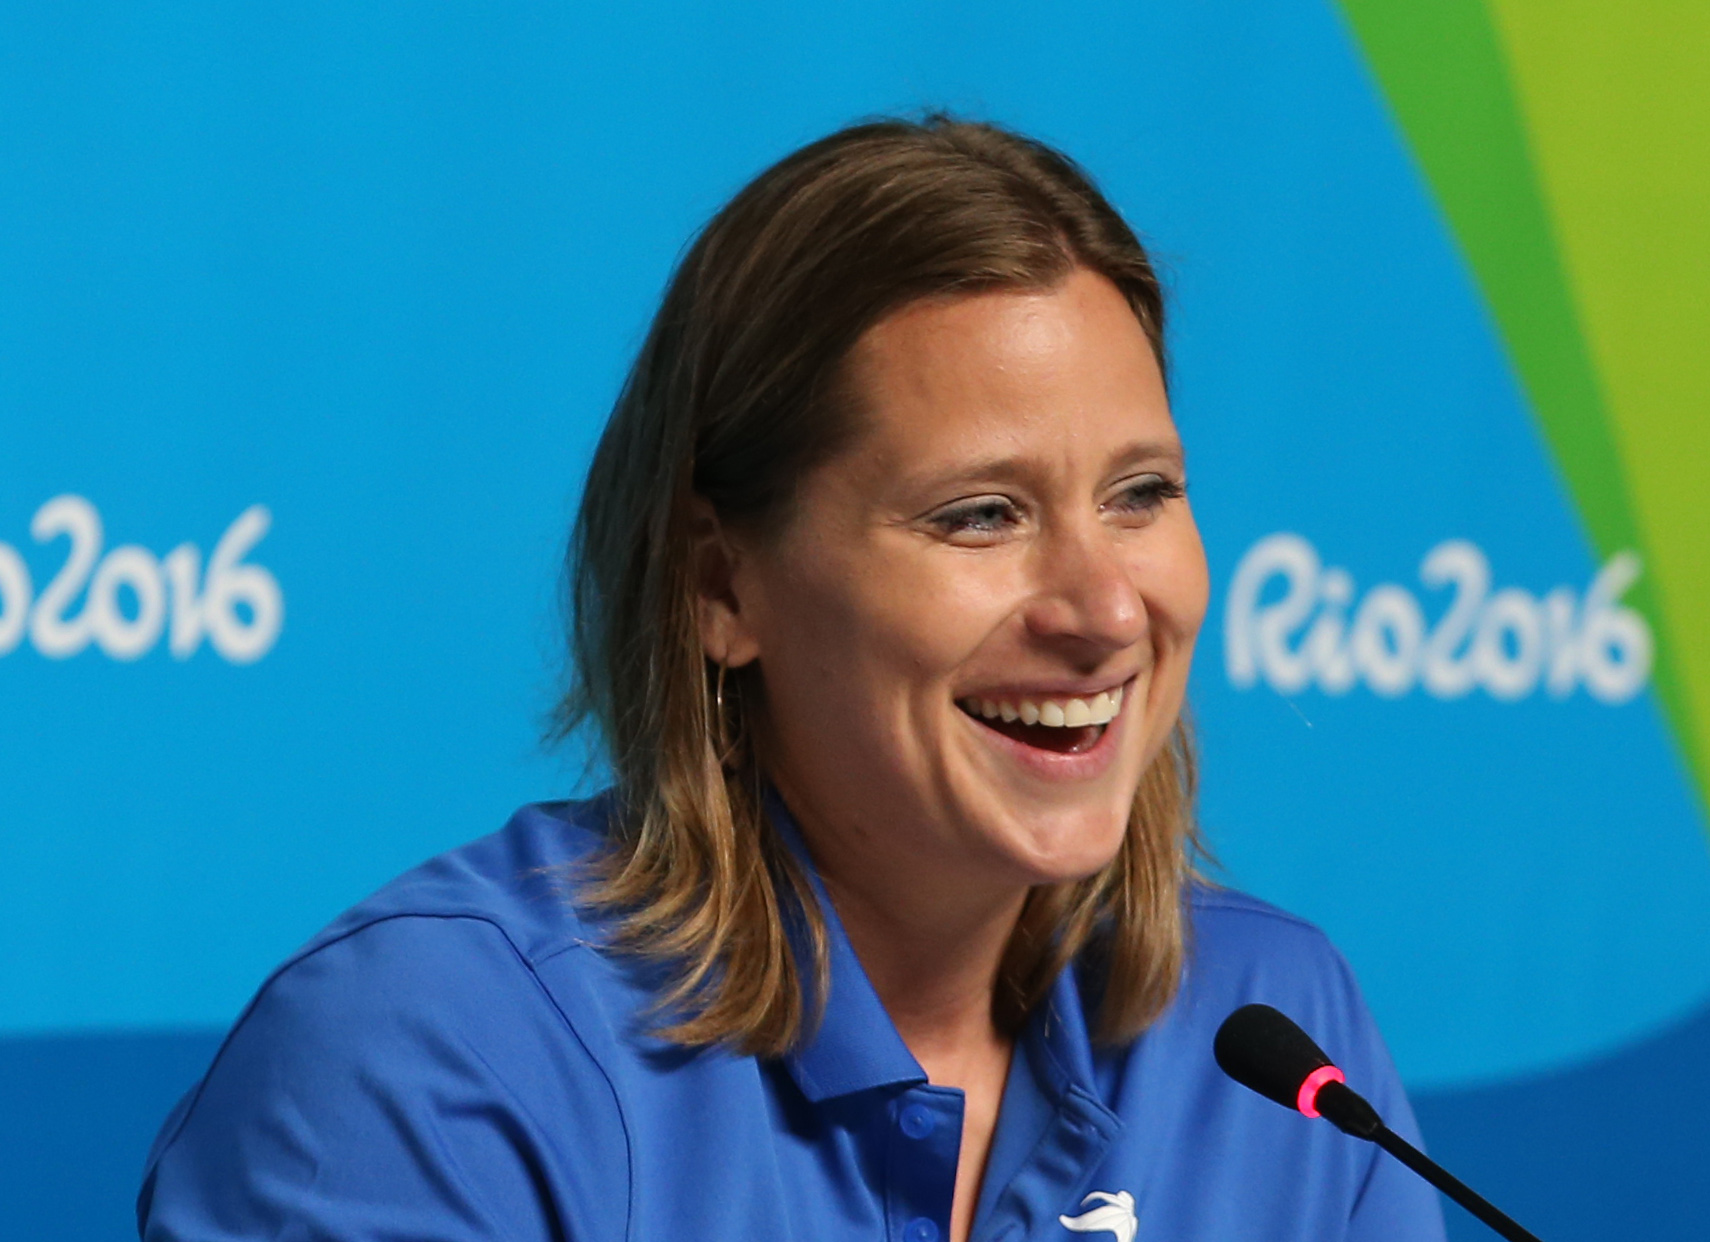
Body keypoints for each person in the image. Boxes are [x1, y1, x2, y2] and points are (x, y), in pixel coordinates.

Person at [138, 116, 1446, 1242]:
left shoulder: (1276, 1038)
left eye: (1140, 494)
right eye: (979, 514)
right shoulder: (432, 1059)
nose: (1105, 609)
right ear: (720, 584)